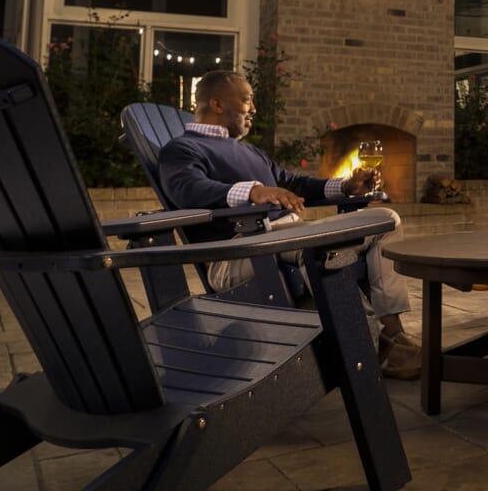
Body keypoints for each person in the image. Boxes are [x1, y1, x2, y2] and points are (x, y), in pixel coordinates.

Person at [158, 70, 421, 380]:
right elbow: (188, 189)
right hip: (239, 253)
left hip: (285, 240)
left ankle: (392, 336)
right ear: (216, 103)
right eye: (247, 100)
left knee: (385, 222)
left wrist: (347, 187)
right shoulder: (181, 149)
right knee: (333, 244)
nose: (253, 109)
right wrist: (254, 192)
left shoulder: (248, 150)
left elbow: (291, 182)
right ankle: (368, 345)